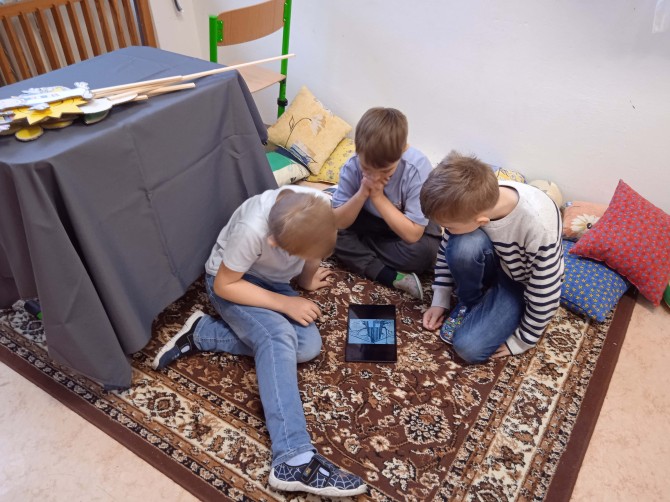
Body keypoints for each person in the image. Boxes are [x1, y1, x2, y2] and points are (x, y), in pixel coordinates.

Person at [152, 185, 367, 497]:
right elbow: (225, 285)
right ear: (274, 242)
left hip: (273, 282)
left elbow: (317, 247)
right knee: (278, 337)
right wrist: (285, 304)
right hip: (234, 283)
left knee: (307, 347)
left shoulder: (319, 206)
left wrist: (306, 279)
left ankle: (203, 332)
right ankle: (292, 457)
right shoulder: (252, 229)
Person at [419, 152, 564, 363]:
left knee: (468, 349)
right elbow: (446, 249)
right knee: (463, 244)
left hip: (521, 284)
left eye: (448, 226)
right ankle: (471, 301)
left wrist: (523, 340)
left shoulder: (538, 228)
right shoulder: (467, 203)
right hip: (496, 262)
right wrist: (440, 299)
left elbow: (545, 291)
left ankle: (489, 302)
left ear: (482, 221)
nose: (445, 230)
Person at [331, 107, 442, 300]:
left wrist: (378, 197)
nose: (375, 177)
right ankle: (387, 275)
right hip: (366, 221)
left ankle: (360, 250)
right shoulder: (352, 165)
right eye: (366, 168)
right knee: (326, 228)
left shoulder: (417, 168)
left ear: (403, 150)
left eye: (386, 171)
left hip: (406, 227)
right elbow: (338, 222)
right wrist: (362, 193)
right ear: (357, 150)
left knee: (424, 253)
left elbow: (413, 234)